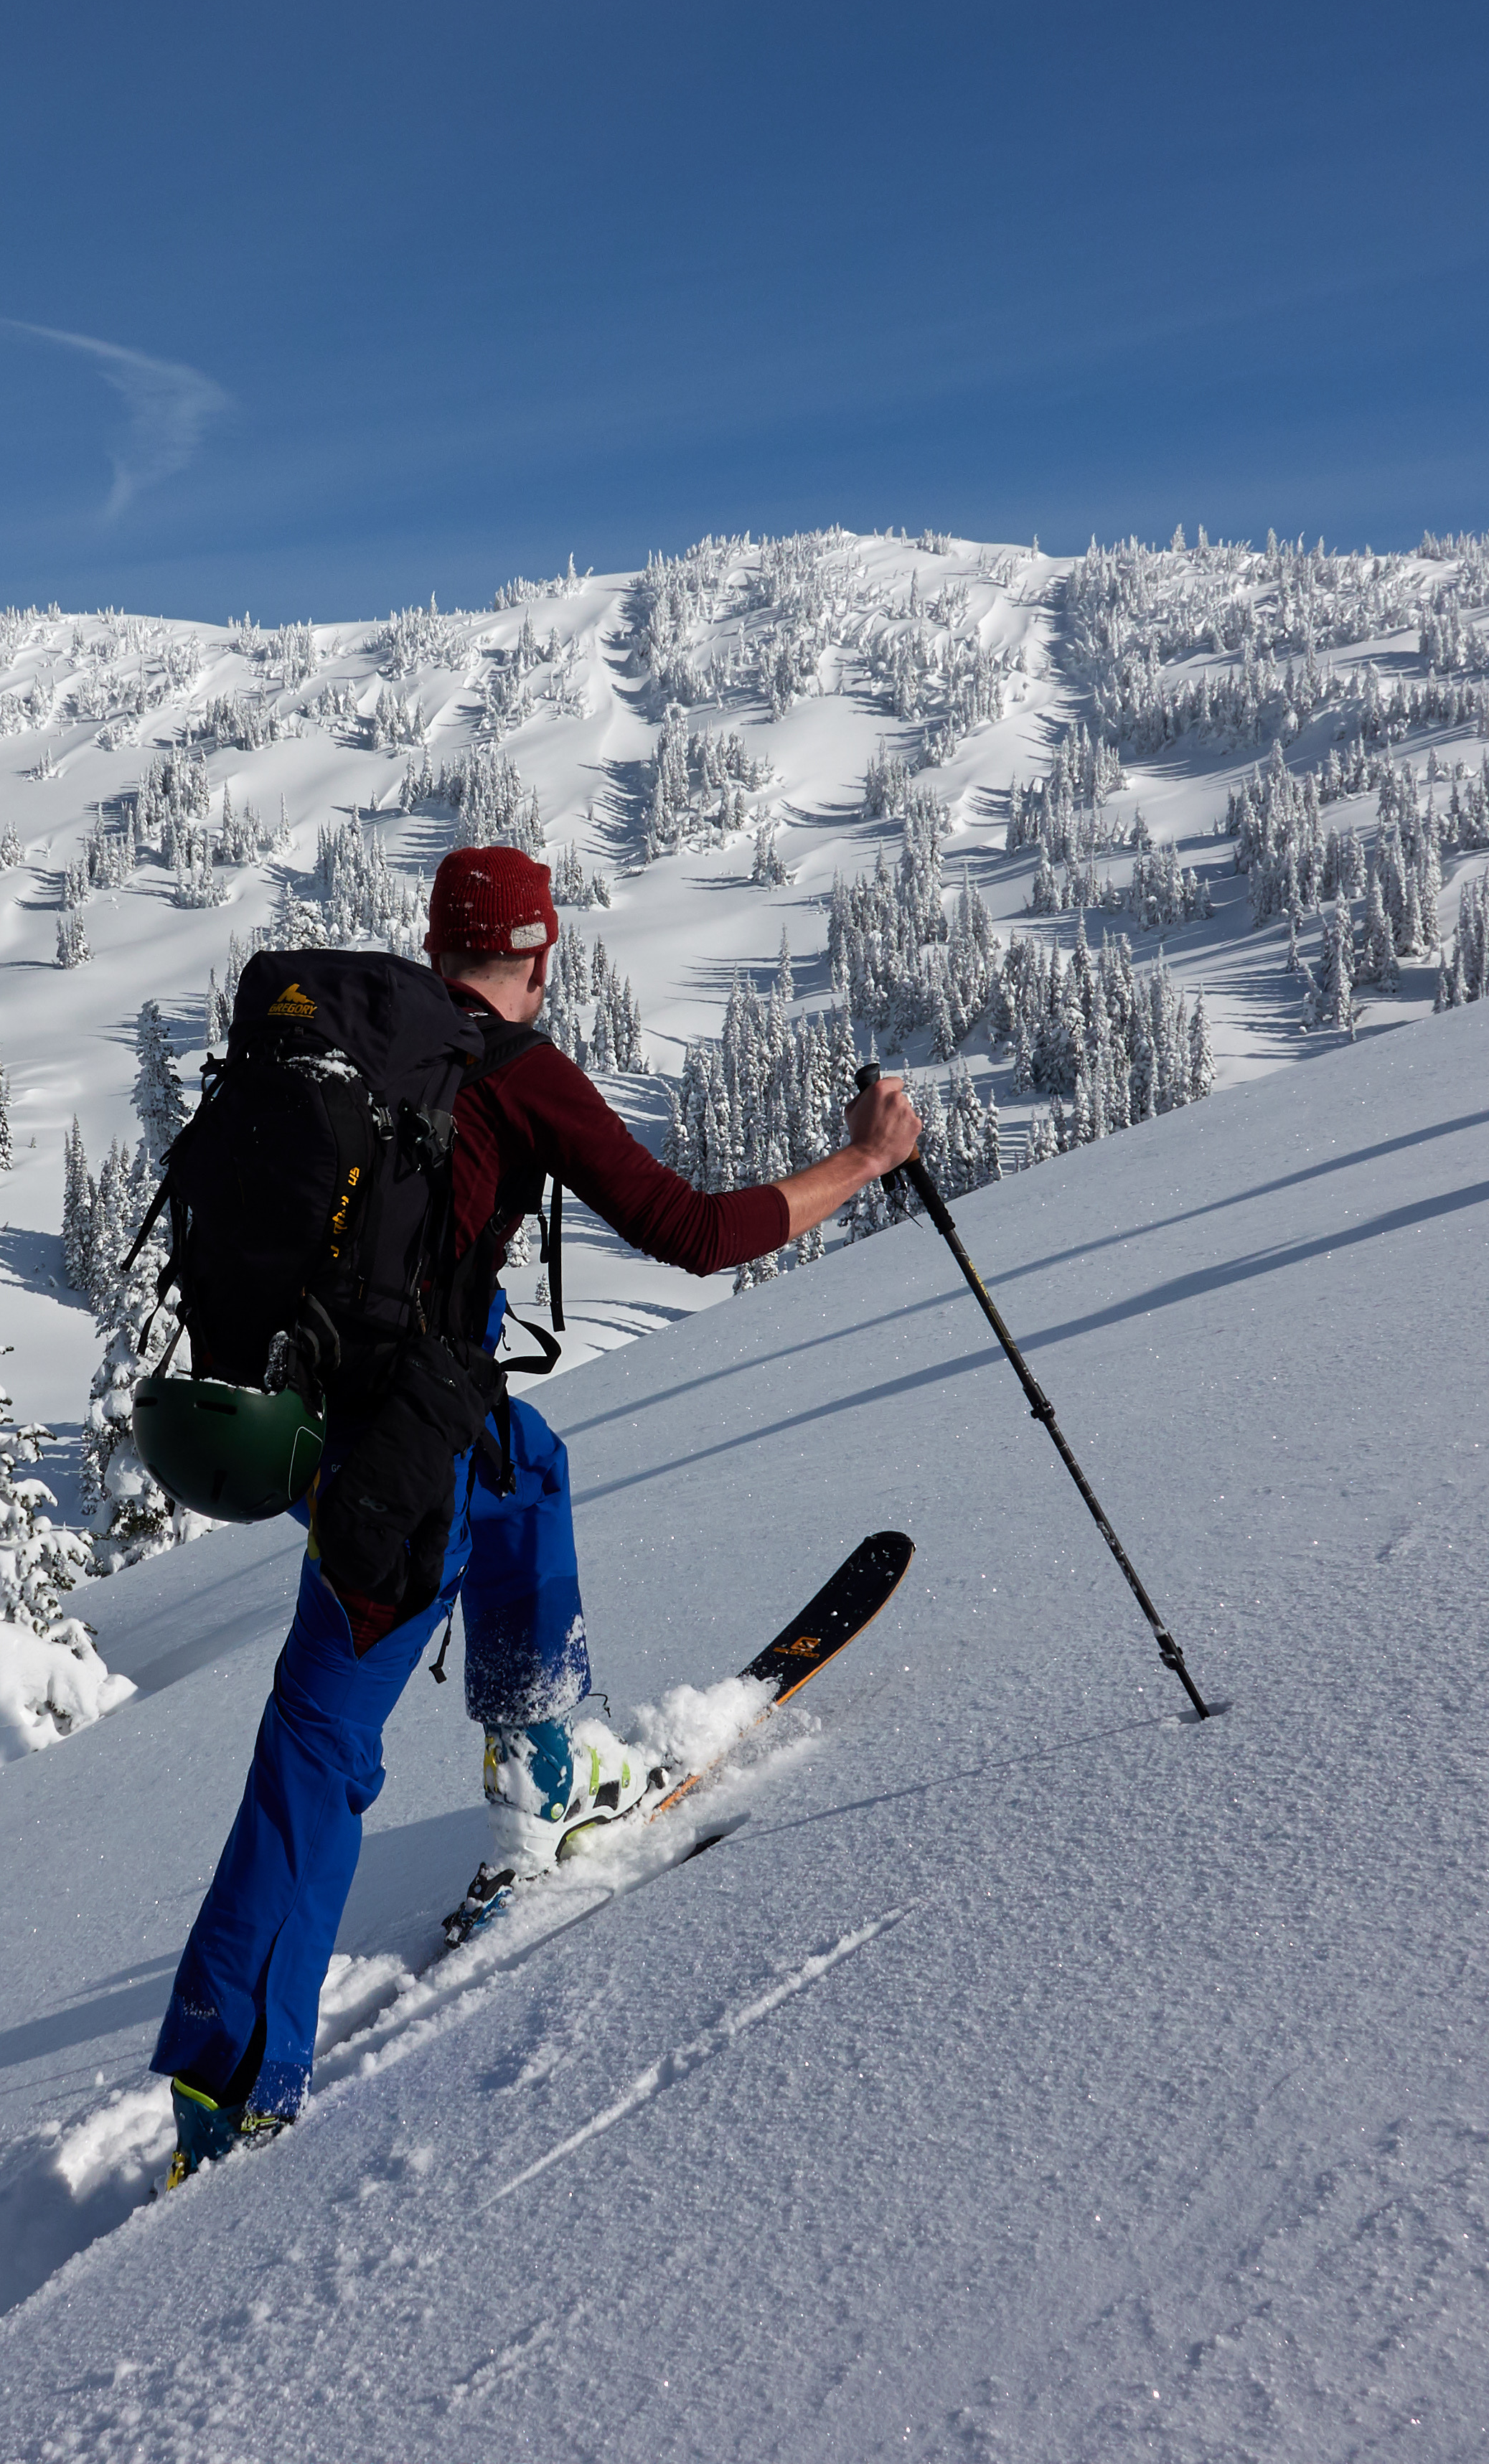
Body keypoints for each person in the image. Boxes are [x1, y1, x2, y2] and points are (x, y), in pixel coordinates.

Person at [152, 842, 922, 2181]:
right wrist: (861, 1163)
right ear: (541, 953)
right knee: (317, 1744)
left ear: (439, 941)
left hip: (322, 1418)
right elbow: (693, 1231)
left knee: (528, 1466)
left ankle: (546, 1764)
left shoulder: (361, 1044)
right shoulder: (512, 1074)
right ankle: (232, 2087)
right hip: (396, 1465)